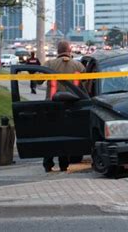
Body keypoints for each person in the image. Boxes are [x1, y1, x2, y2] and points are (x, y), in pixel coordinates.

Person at [42, 40, 85, 172]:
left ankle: (48, 163)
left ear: (58, 51)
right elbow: (86, 85)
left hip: (52, 106)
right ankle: (63, 164)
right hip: (73, 105)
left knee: (50, 135)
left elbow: (37, 80)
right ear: (70, 50)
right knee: (66, 134)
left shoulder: (49, 64)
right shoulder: (79, 66)